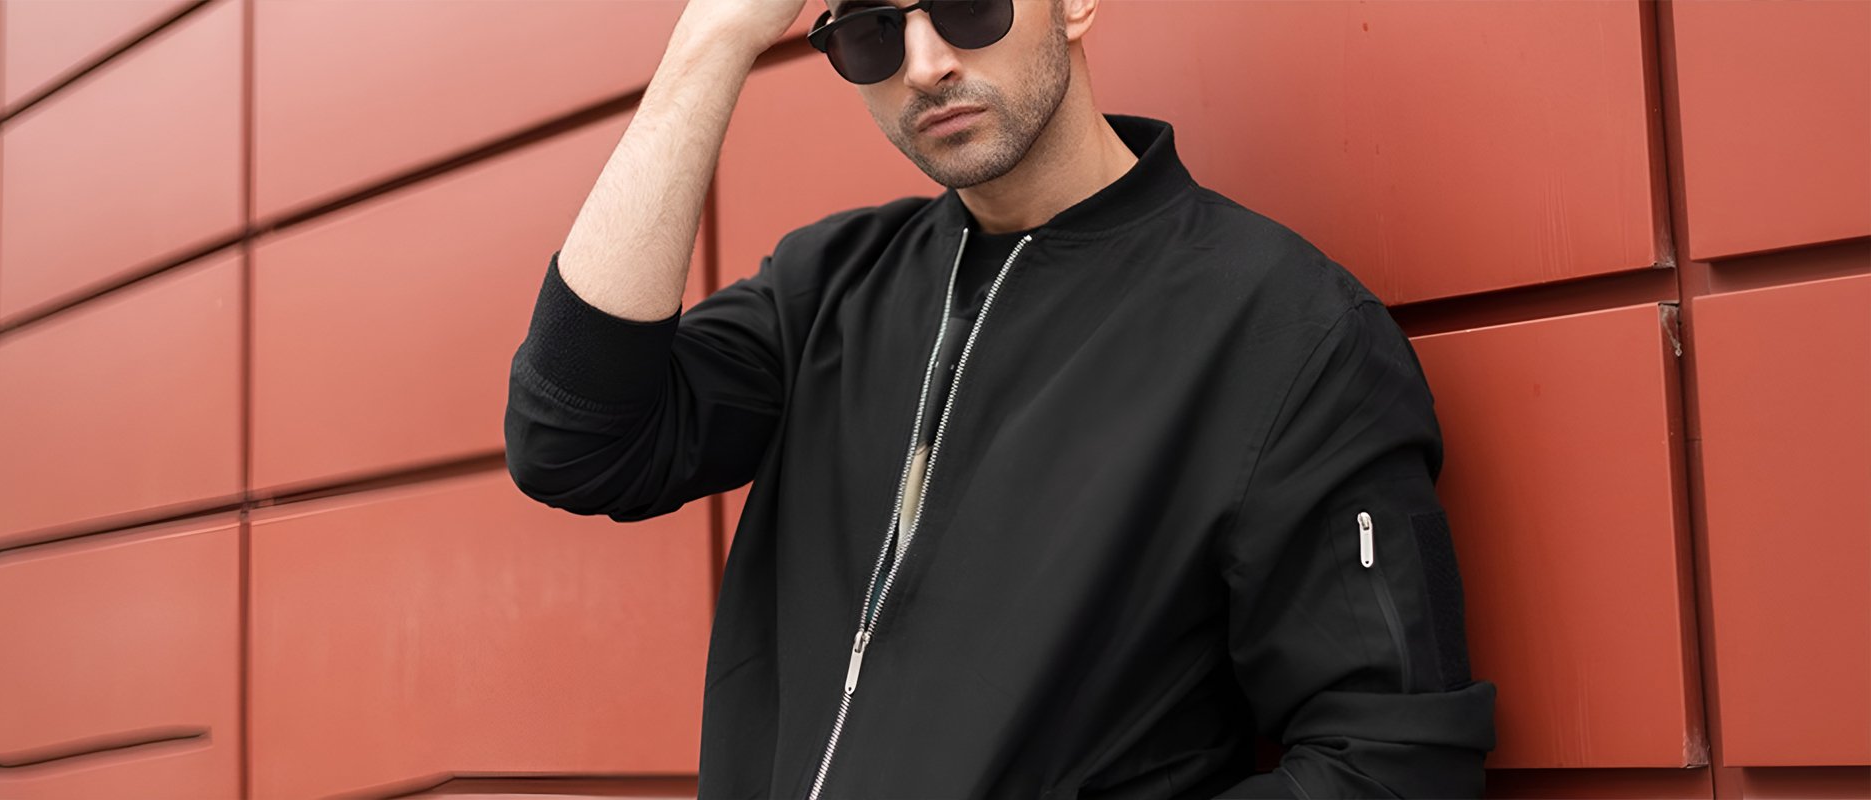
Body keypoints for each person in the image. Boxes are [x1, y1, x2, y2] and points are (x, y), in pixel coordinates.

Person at [502, 0, 1498, 796]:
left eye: (968, 6)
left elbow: (1389, 762)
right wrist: (711, 37)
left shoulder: (1282, 326)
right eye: (871, 31)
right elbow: (575, 440)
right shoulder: (829, 289)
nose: (925, 64)